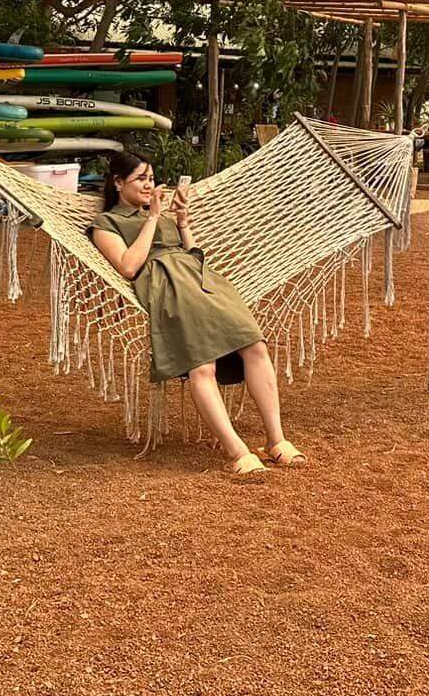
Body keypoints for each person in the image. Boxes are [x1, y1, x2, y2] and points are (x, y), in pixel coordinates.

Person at [86, 150, 303, 479]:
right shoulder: (106, 224)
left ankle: (277, 440)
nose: (149, 185)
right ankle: (238, 452)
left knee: (254, 344)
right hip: (167, 287)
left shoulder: (163, 217)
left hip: (203, 280)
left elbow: (192, 253)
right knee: (202, 365)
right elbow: (129, 267)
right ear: (118, 183)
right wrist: (152, 218)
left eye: (151, 178)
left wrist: (182, 222)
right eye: (140, 179)